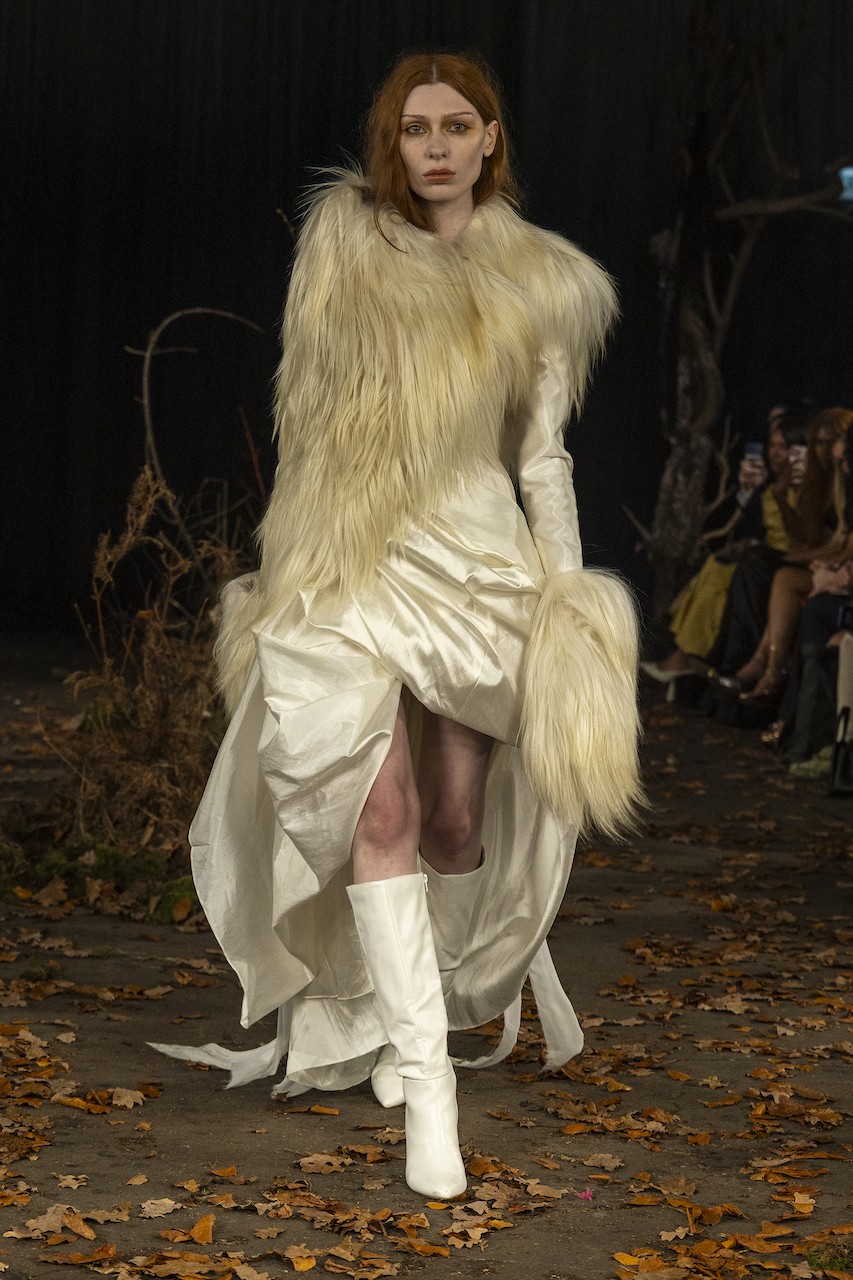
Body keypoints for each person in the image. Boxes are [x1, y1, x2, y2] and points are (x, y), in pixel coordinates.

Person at [153, 52, 641, 1200]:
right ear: (393, 139)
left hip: (476, 569)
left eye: (455, 125)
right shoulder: (344, 249)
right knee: (379, 807)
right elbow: (314, 419)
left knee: (456, 821)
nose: (434, 146)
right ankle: (429, 1088)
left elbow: (542, 458)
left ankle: (404, 1011)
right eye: (415, 127)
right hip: (354, 565)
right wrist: (291, 560)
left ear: (488, 139)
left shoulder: (541, 281)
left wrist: (565, 604)